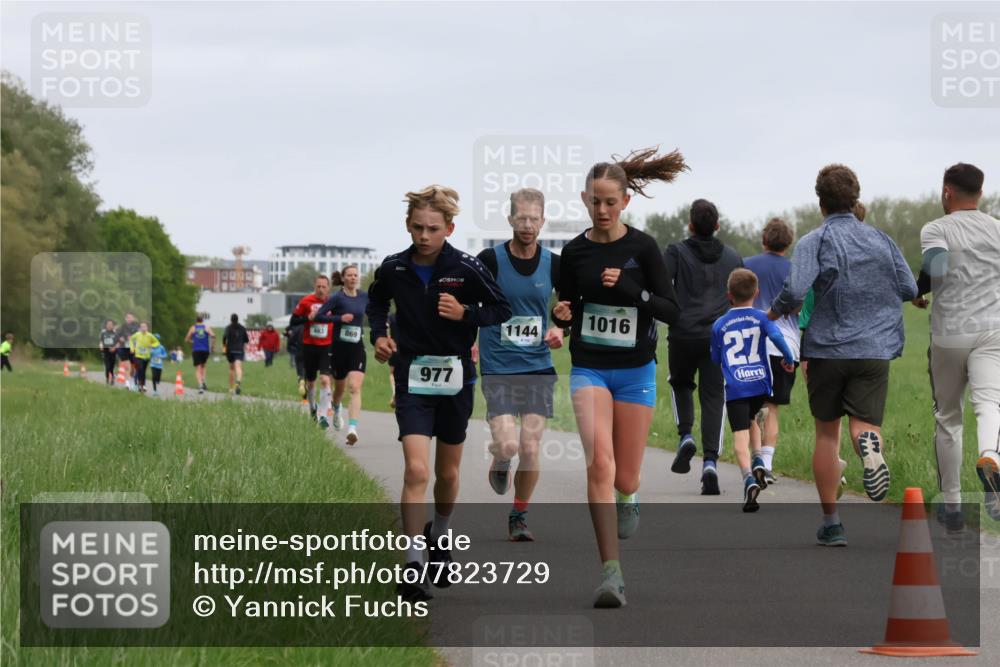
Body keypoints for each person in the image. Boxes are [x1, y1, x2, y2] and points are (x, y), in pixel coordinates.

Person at [367, 184, 512, 602]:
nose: (424, 236)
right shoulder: (394, 268)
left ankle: (440, 536)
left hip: (455, 380)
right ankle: (412, 563)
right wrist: (379, 337)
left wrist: (465, 312)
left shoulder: (466, 268)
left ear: (449, 227)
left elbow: (500, 309)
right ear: (407, 225)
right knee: (416, 471)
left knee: (447, 474)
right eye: (417, 227)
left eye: (433, 228)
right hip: (412, 377)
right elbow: (376, 304)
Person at [553, 147, 683, 608]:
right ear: (584, 200)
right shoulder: (574, 251)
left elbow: (671, 311)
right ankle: (611, 572)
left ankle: (630, 494)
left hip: (635, 372)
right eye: (595, 201)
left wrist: (632, 289)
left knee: (625, 475)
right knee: (599, 466)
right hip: (589, 367)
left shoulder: (643, 247)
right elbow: (567, 308)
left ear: (625, 201)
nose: (602, 210)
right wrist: (561, 315)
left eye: (611, 202)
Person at [770, 164, 917, 546]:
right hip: (873, 349)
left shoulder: (813, 241)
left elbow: (796, 291)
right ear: (856, 197)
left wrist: (773, 312)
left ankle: (832, 522)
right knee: (864, 425)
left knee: (826, 433)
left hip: (826, 350)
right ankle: (870, 451)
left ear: (820, 201)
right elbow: (908, 286)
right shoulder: (881, 239)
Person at [475, 187, 563, 541]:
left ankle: (519, 514)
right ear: (510, 218)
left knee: (529, 447)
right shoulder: (490, 259)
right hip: (498, 364)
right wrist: (470, 343)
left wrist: (562, 328)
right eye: (521, 218)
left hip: (538, 365)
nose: (527, 225)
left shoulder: (554, 264)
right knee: (510, 445)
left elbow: (571, 305)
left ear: (543, 220)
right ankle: (500, 457)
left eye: (534, 218)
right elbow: (471, 303)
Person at [915, 163, 1000, 526]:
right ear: (980, 194)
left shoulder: (936, 228)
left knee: (948, 418)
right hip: (993, 330)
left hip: (949, 333)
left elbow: (936, 264)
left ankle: (951, 506)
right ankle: (990, 457)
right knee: (989, 403)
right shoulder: (997, 228)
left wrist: (918, 290)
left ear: (947, 191)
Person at [711, 269, 796, 512]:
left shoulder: (719, 324)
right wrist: (788, 358)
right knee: (754, 419)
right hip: (760, 382)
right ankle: (759, 457)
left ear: (729, 295)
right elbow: (778, 339)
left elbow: (716, 358)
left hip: (736, 385)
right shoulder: (762, 317)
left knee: (740, 432)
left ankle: (748, 477)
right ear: (756, 293)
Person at [742, 218, 800, 484]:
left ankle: (754, 459)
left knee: (752, 406)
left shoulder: (747, 265)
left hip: (750, 343)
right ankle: (766, 462)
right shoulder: (795, 269)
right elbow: (799, 308)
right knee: (773, 407)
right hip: (784, 344)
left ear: (764, 239)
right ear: (788, 243)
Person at [314, 265, 369, 446]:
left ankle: (352, 429)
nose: (353, 278)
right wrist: (339, 319)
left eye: (356, 275)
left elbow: (375, 313)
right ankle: (336, 409)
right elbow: (319, 316)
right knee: (339, 391)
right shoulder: (337, 297)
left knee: (354, 388)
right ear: (343, 278)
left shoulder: (364, 297)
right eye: (350, 275)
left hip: (357, 348)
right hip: (338, 349)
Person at [290, 275, 334, 427]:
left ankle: (322, 415)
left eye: (323, 287)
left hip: (326, 346)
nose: (321, 289)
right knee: (311, 381)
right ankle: (312, 408)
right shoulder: (306, 301)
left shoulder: (332, 302)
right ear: (314, 287)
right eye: (318, 287)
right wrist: (307, 318)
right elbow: (293, 321)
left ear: (328, 288)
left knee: (325, 379)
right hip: (309, 345)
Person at [184, 316, 215, 394]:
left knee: (198, 368)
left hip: (196, 349)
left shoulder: (193, 328)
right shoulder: (206, 327)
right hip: (205, 350)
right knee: (203, 366)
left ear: (196, 320)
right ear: (202, 320)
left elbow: (186, 339)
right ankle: (203, 381)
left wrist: (193, 341)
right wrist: (212, 346)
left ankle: (200, 385)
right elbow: (213, 336)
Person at [222, 313, 249, 395]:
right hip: (239, 350)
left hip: (230, 350)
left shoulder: (228, 328)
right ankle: (238, 383)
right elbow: (246, 340)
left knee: (231, 369)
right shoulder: (242, 328)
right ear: (238, 319)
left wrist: (224, 347)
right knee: (238, 367)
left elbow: (224, 338)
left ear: (231, 319)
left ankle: (231, 388)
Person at [128, 321, 159, 394]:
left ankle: (142, 384)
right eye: (142, 327)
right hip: (138, 356)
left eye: (144, 327)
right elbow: (131, 340)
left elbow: (157, 343)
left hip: (146, 356)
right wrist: (132, 348)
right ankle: (142, 385)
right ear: (140, 328)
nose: (143, 328)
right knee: (140, 369)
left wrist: (152, 345)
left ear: (147, 328)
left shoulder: (150, 336)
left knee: (143, 371)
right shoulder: (137, 334)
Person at [115, 313, 139, 390]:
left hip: (133, 349)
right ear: (125, 318)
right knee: (127, 365)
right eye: (127, 317)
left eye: (130, 317)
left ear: (133, 318)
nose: (129, 319)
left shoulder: (137, 327)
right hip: (124, 348)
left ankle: (132, 380)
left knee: (133, 368)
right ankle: (127, 383)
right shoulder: (122, 327)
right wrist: (120, 339)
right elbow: (116, 335)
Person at [284, 323, 306, 397]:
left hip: (299, 352)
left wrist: (292, 349)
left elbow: (291, 341)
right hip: (310, 353)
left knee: (300, 372)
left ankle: (301, 380)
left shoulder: (298, 328)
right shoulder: (314, 326)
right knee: (309, 373)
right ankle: (307, 393)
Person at [99, 319, 119, 385]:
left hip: (113, 351)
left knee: (111, 366)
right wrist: (101, 345)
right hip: (106, 351)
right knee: (107, 366)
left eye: (111, 325)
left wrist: (114, 348)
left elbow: (118, 343)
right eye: (108, 324)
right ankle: (107, 379)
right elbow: (101, 341)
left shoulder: (115, 333)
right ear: (106, 325)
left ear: (113, 325)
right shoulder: (103, 332)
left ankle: (112, 376)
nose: (109, 326)